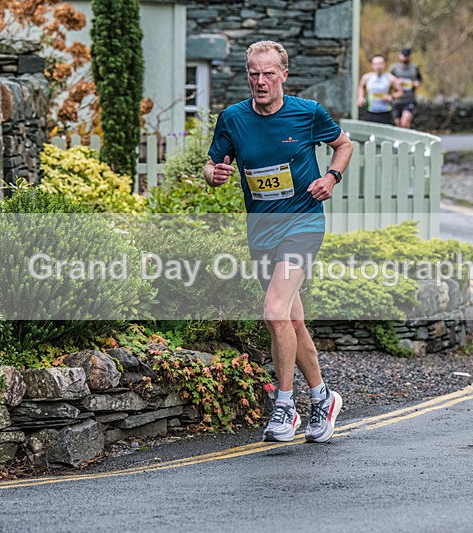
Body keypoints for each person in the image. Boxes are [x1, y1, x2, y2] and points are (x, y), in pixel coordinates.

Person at [204, 41, 353, 443]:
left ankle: (284, 407)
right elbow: (214, 161)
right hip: (261, 232)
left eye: (269, 73)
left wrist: (331, 178)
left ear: (284, 75)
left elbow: (344, 144)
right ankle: (323, 398)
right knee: (292, 320)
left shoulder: (307, 114)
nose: (260, 81)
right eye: (253, 73)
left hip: (302, 224)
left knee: (273, 312)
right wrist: (212, 173)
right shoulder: (233, 119)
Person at [357, 54, 403, 124]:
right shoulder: (367, 77)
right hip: (370, 111)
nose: (379, 66)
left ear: (385, 65)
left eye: (381, 64)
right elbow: (361, 86)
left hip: (385, 112)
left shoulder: (390, 78)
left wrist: (391, 97)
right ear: (372, 65)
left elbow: (400, 92)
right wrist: (361, 97)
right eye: (376, 64)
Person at [389, 48, 423, 129]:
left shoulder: (414, 68)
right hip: (397, 100)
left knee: (405, 121)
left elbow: (420, 79)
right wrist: (396, 82)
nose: (404, 58)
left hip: (409, 99)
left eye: (406, 56)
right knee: (398, 124)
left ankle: (406, 139)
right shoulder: (394, 68)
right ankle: (401, 139)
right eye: (403, 55)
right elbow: (387, 80)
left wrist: (417, 83)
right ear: (399, 56)